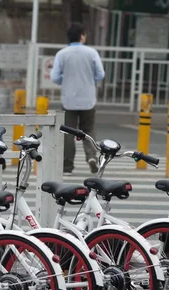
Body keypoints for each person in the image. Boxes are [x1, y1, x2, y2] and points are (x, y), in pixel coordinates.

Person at [51, 22, 105, 176]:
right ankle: (92, 158)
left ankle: (67, 166)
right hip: (88, 99)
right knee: (89, 129)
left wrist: (65, 80)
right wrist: (90, 79)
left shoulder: (62, 54)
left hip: (69, 99)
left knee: (68, 132)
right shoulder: (92, 52)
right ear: (82, 36)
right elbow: (100, 74)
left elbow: (55, 77)